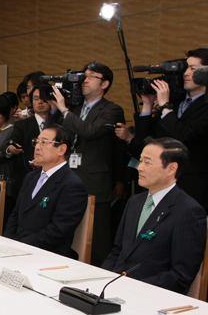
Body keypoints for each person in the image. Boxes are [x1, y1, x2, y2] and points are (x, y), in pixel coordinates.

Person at [102, 138, 206, 294]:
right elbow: (118, 250)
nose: (139, 167)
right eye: (140, 161)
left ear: (171, 169)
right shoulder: (135, 201)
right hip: (115, 289)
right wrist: (103, 279)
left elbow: (181, 275)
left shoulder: (189, 211)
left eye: (147, 163)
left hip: (150, 297)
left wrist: (133, 289)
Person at [49, 61, 126, 266]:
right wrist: (57, 109)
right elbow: (53, 133)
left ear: (105, 84)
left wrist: (65, 111)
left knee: (96, 237)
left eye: (92, 76)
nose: (85, 79)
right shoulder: (72, 107)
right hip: (66, 177)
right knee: (66, 230)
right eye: (84, 75)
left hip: (94, 181)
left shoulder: (112, 110)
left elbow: (90, 131)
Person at [129, 48, 208, 214]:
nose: (186, 73)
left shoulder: (199, 107)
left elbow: (185, 136)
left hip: (191, 185)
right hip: (159, 184)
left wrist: (165, 106)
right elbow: (143, 143)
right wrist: (148, 105)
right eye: (185, 68)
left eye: (193, 69)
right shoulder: (176, 103)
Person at [4, 125, 87, 258]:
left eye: (44, 142)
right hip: (17, 249)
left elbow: (58, 231)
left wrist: (20, 245)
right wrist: (8, 241)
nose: (37, 147)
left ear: (61, 149)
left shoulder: (72, 185)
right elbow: (15, 214)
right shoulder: (31, 177)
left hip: (47, 255)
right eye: (36, 142)